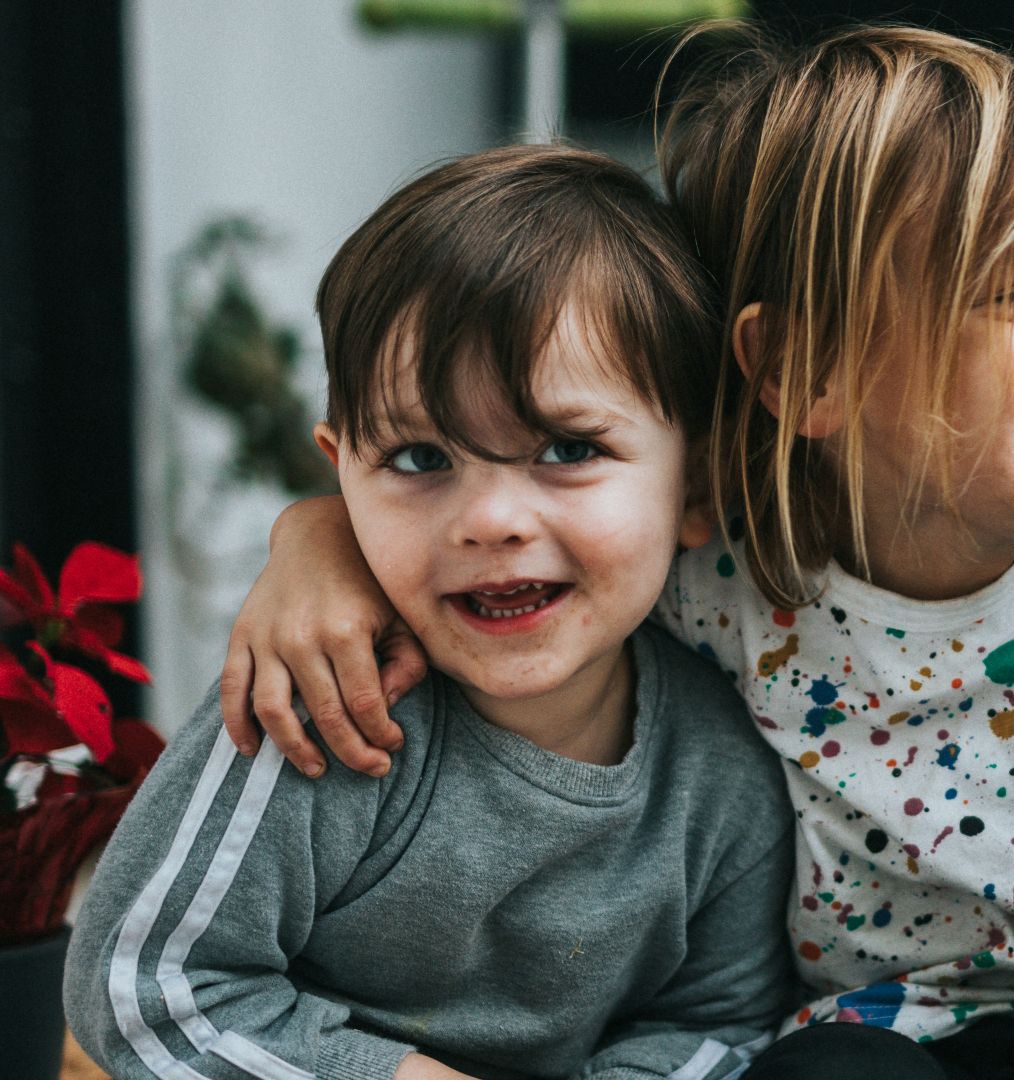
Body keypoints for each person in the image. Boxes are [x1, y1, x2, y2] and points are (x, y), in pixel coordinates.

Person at [210, 25, 1014, 1080]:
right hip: (858, 1035)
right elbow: (538, 530)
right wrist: (322, 539)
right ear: (806, 369)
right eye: (1012, 292)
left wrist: (313, 536)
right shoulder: (720, 571)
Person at [65, 144, 795, 1080]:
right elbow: (142, 988)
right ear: (341, 475)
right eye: (419, 459)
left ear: (696, 485)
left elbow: (719, 1025)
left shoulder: (724, 774)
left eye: (568, 449)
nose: (490, 520)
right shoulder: (319, 710)